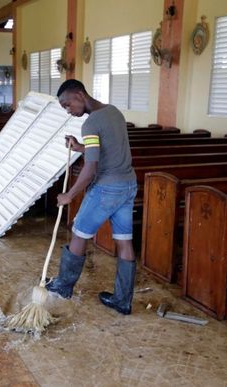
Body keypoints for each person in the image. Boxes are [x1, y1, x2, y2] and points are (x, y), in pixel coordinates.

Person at [46, 79, 138, 315]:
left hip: (106, 189)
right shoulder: (113, 112)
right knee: (124, 241)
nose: (68, 111)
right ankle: (123, 300)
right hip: (128, 186)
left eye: (68, 105)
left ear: (79, 94)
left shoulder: (90, 123)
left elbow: (91, 167)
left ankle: (63, 287)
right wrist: (79, 147)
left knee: (79, 233)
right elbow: (106, 148)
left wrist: (69, 194)